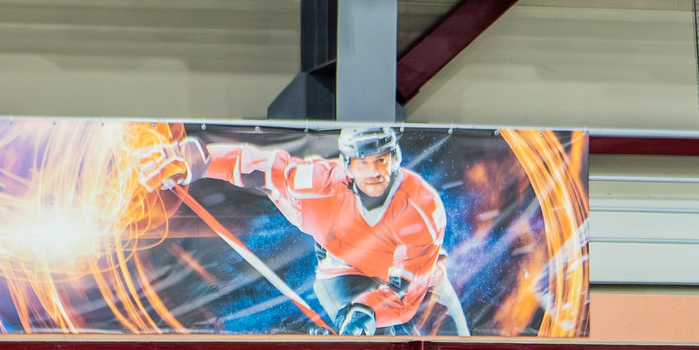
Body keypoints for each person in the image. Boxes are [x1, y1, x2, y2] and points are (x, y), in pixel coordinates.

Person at [146, 124, 469, 335]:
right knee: (359, 336)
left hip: (419, 286)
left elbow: (405, 292)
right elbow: (268, 169)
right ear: (347, 166)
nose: (374, 172)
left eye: (382, 160)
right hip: (343, 269)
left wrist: (366, 310)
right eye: (363, 162)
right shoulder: (319, 186)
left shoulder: (421, 208)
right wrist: (198, 160)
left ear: (395, 158)